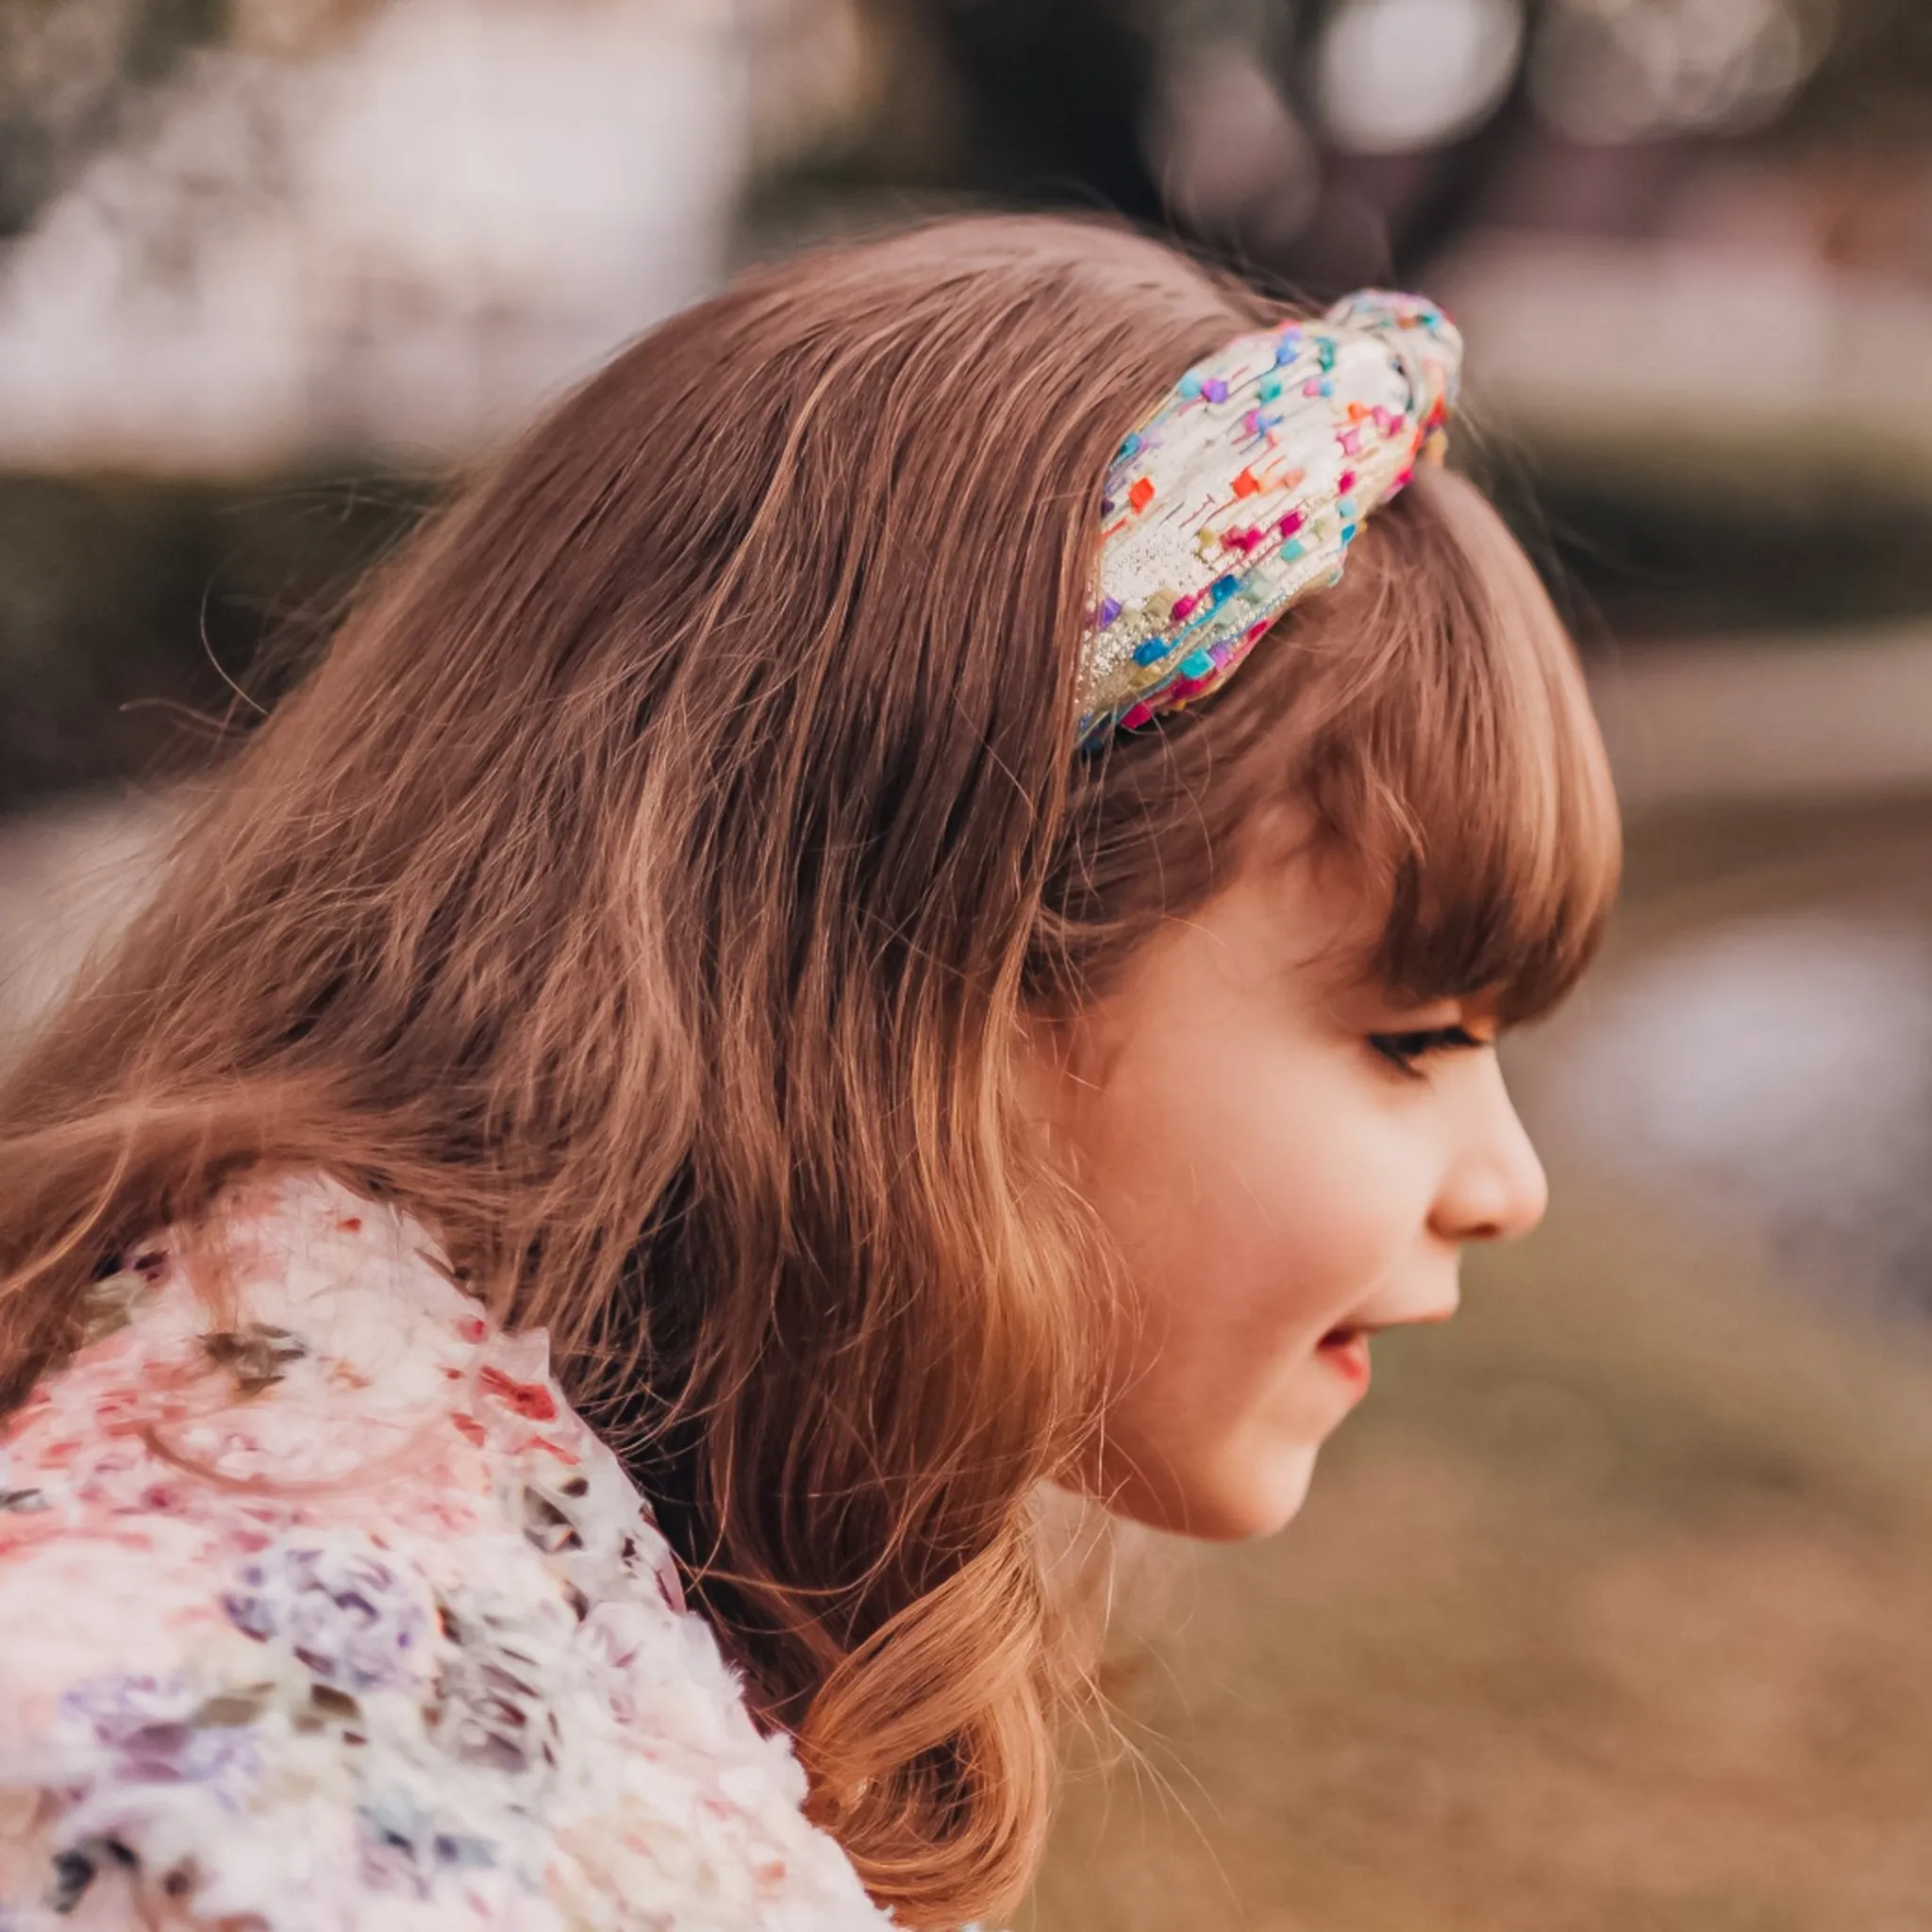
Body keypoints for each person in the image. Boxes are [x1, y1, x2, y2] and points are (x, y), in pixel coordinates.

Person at [0, 217, 1618, 1930]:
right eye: (1412, 1038)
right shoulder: (241, 1818)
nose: (1507, 1183)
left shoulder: (551, 1549)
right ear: (934, 953)